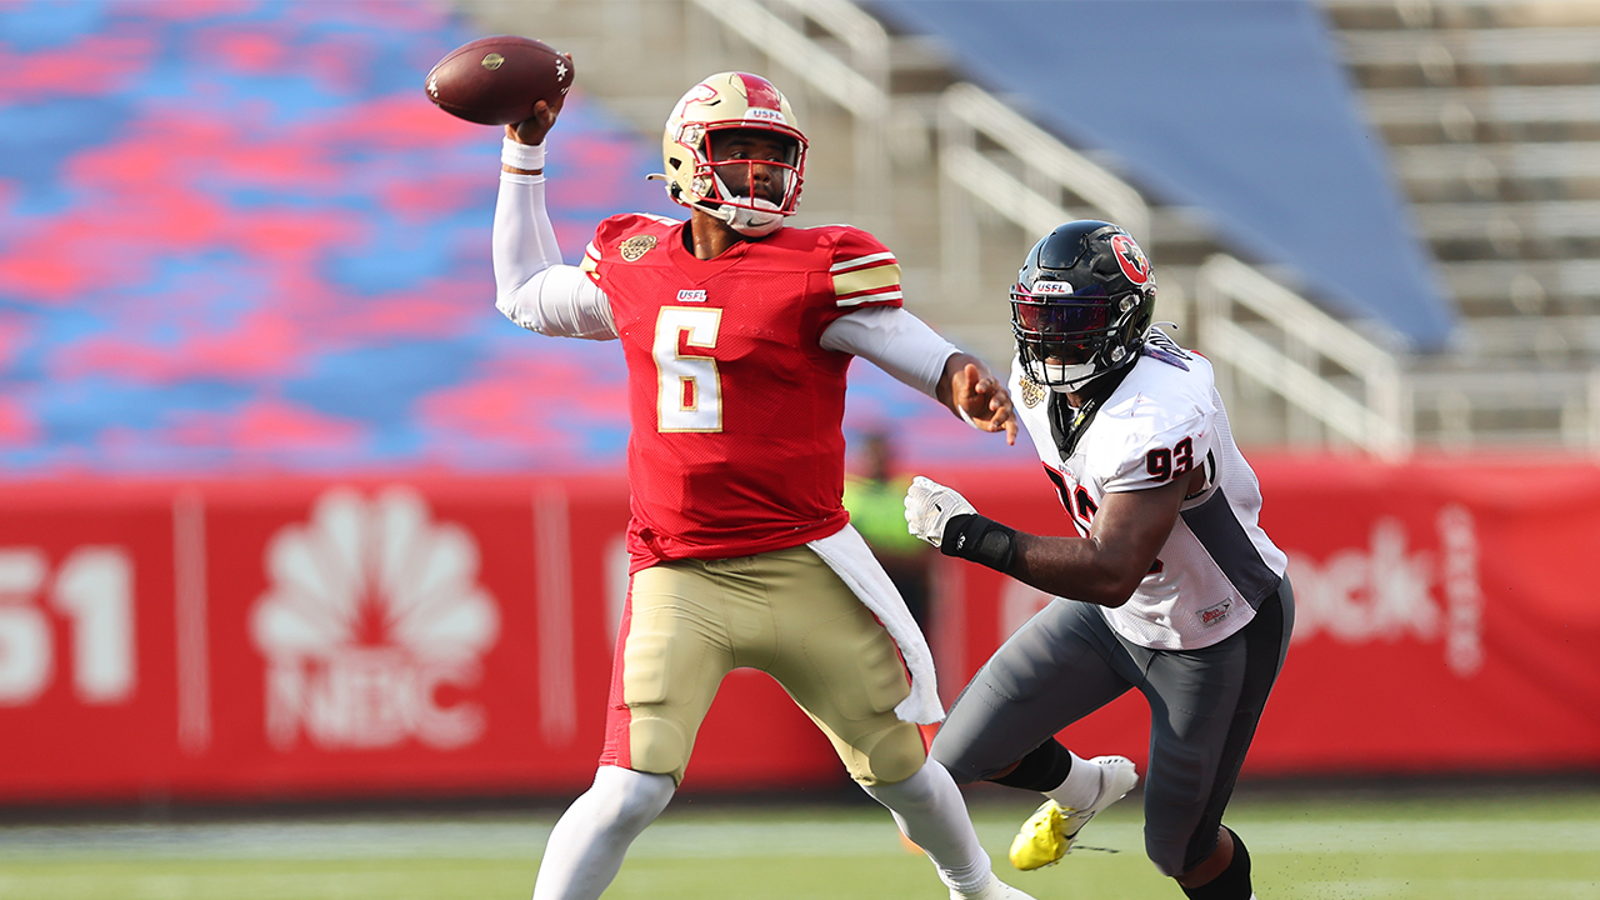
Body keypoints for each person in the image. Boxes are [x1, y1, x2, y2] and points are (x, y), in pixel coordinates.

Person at [492, 70, 1031, 900]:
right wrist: (522, 155)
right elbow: (525, 293)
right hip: (680, 572)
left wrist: (956, 374)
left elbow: (893, 332)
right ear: (684, 161)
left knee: (899, 771)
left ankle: (976, 887)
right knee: (629, 787)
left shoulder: (817, 266)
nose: (759, 171)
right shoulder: (633, 256)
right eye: (737, 150)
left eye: (772, 154)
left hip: (800, 562)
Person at [903, 221, 1294, 900]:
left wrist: (971, 535)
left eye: (1073, 320)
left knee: (1180, 847)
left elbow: (1112, 570)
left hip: (1215, 628)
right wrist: (984, 396)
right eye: (1039, 316)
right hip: (1121, 615)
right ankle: (1085, 788)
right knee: (959, 757)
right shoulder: (1035, 376)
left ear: (1120, 320)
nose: (1050, 339)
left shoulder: (1158, 413)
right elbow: (1112, 579)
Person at [844, 430, 937, 633]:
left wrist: (880, 554)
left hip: (909, 588)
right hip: (867, 589)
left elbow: (930, 548)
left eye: (881, 454)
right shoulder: (848, 493)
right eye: (871, 454)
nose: (876, 460)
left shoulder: (907, 491)